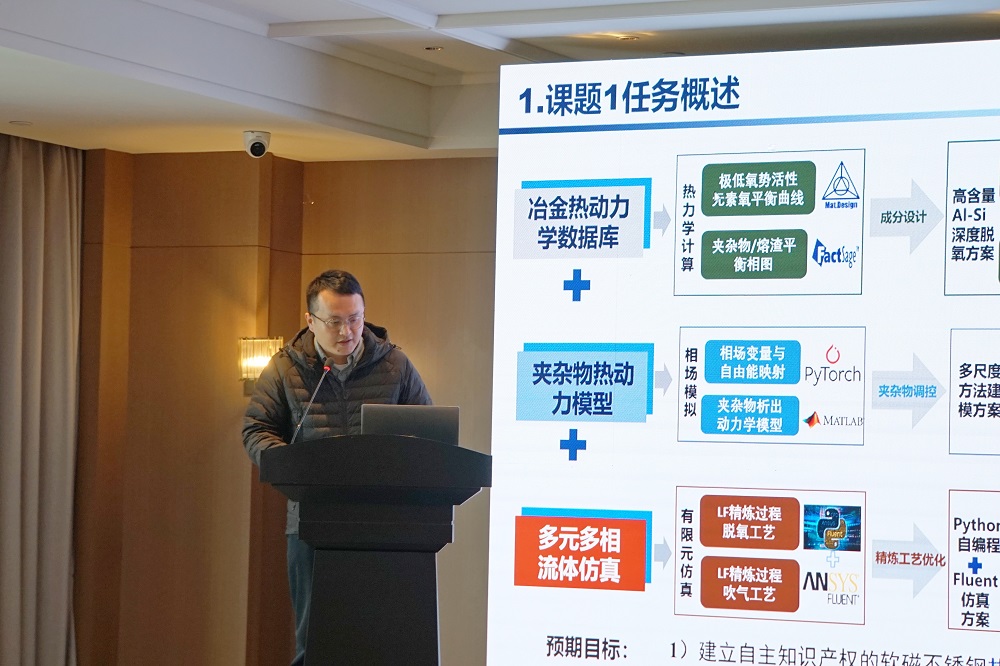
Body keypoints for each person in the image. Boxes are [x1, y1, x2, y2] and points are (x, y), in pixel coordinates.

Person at [242, 269, 432, 665]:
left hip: (385, 524)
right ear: (311, 321)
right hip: (312, 522)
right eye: (334, 321)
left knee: (384, 640)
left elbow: (428, 432)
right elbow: (257, 430)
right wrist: (289, 466)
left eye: (355, 318)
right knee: (315, 641)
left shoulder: (395, 364)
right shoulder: (285, 368)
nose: (347, 331)